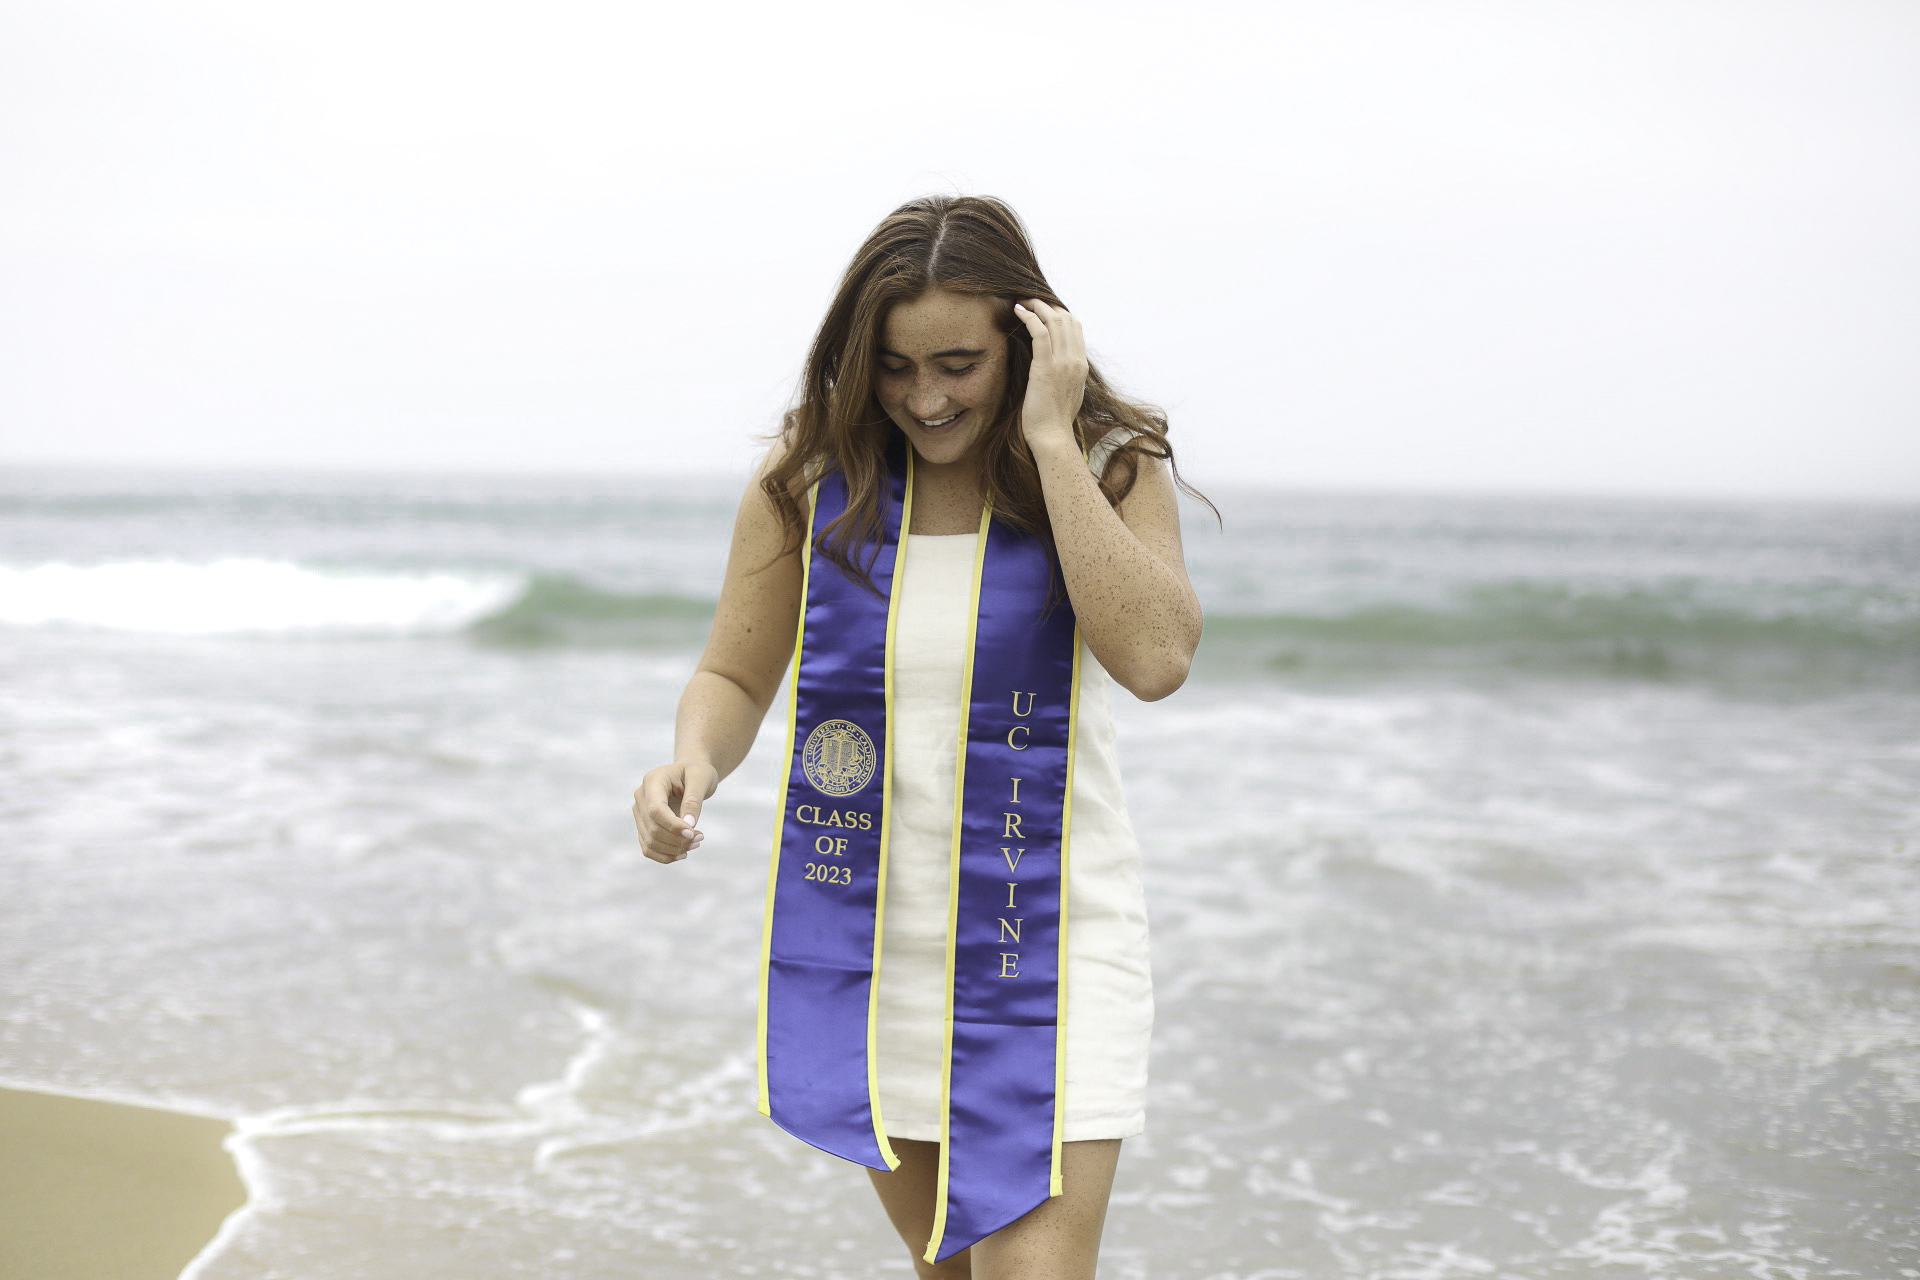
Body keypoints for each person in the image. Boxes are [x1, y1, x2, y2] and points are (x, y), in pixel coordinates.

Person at [632, 194, 1205, 1280]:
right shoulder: (815, 477)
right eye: (895, 368)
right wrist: (693, 760)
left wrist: (1050, 439)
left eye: (959, 364)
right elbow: (736, 672)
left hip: (1048, 946)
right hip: (870, 944)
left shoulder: (1109, 464)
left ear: (1028, 343)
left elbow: (1156, 659)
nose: (927, 398)